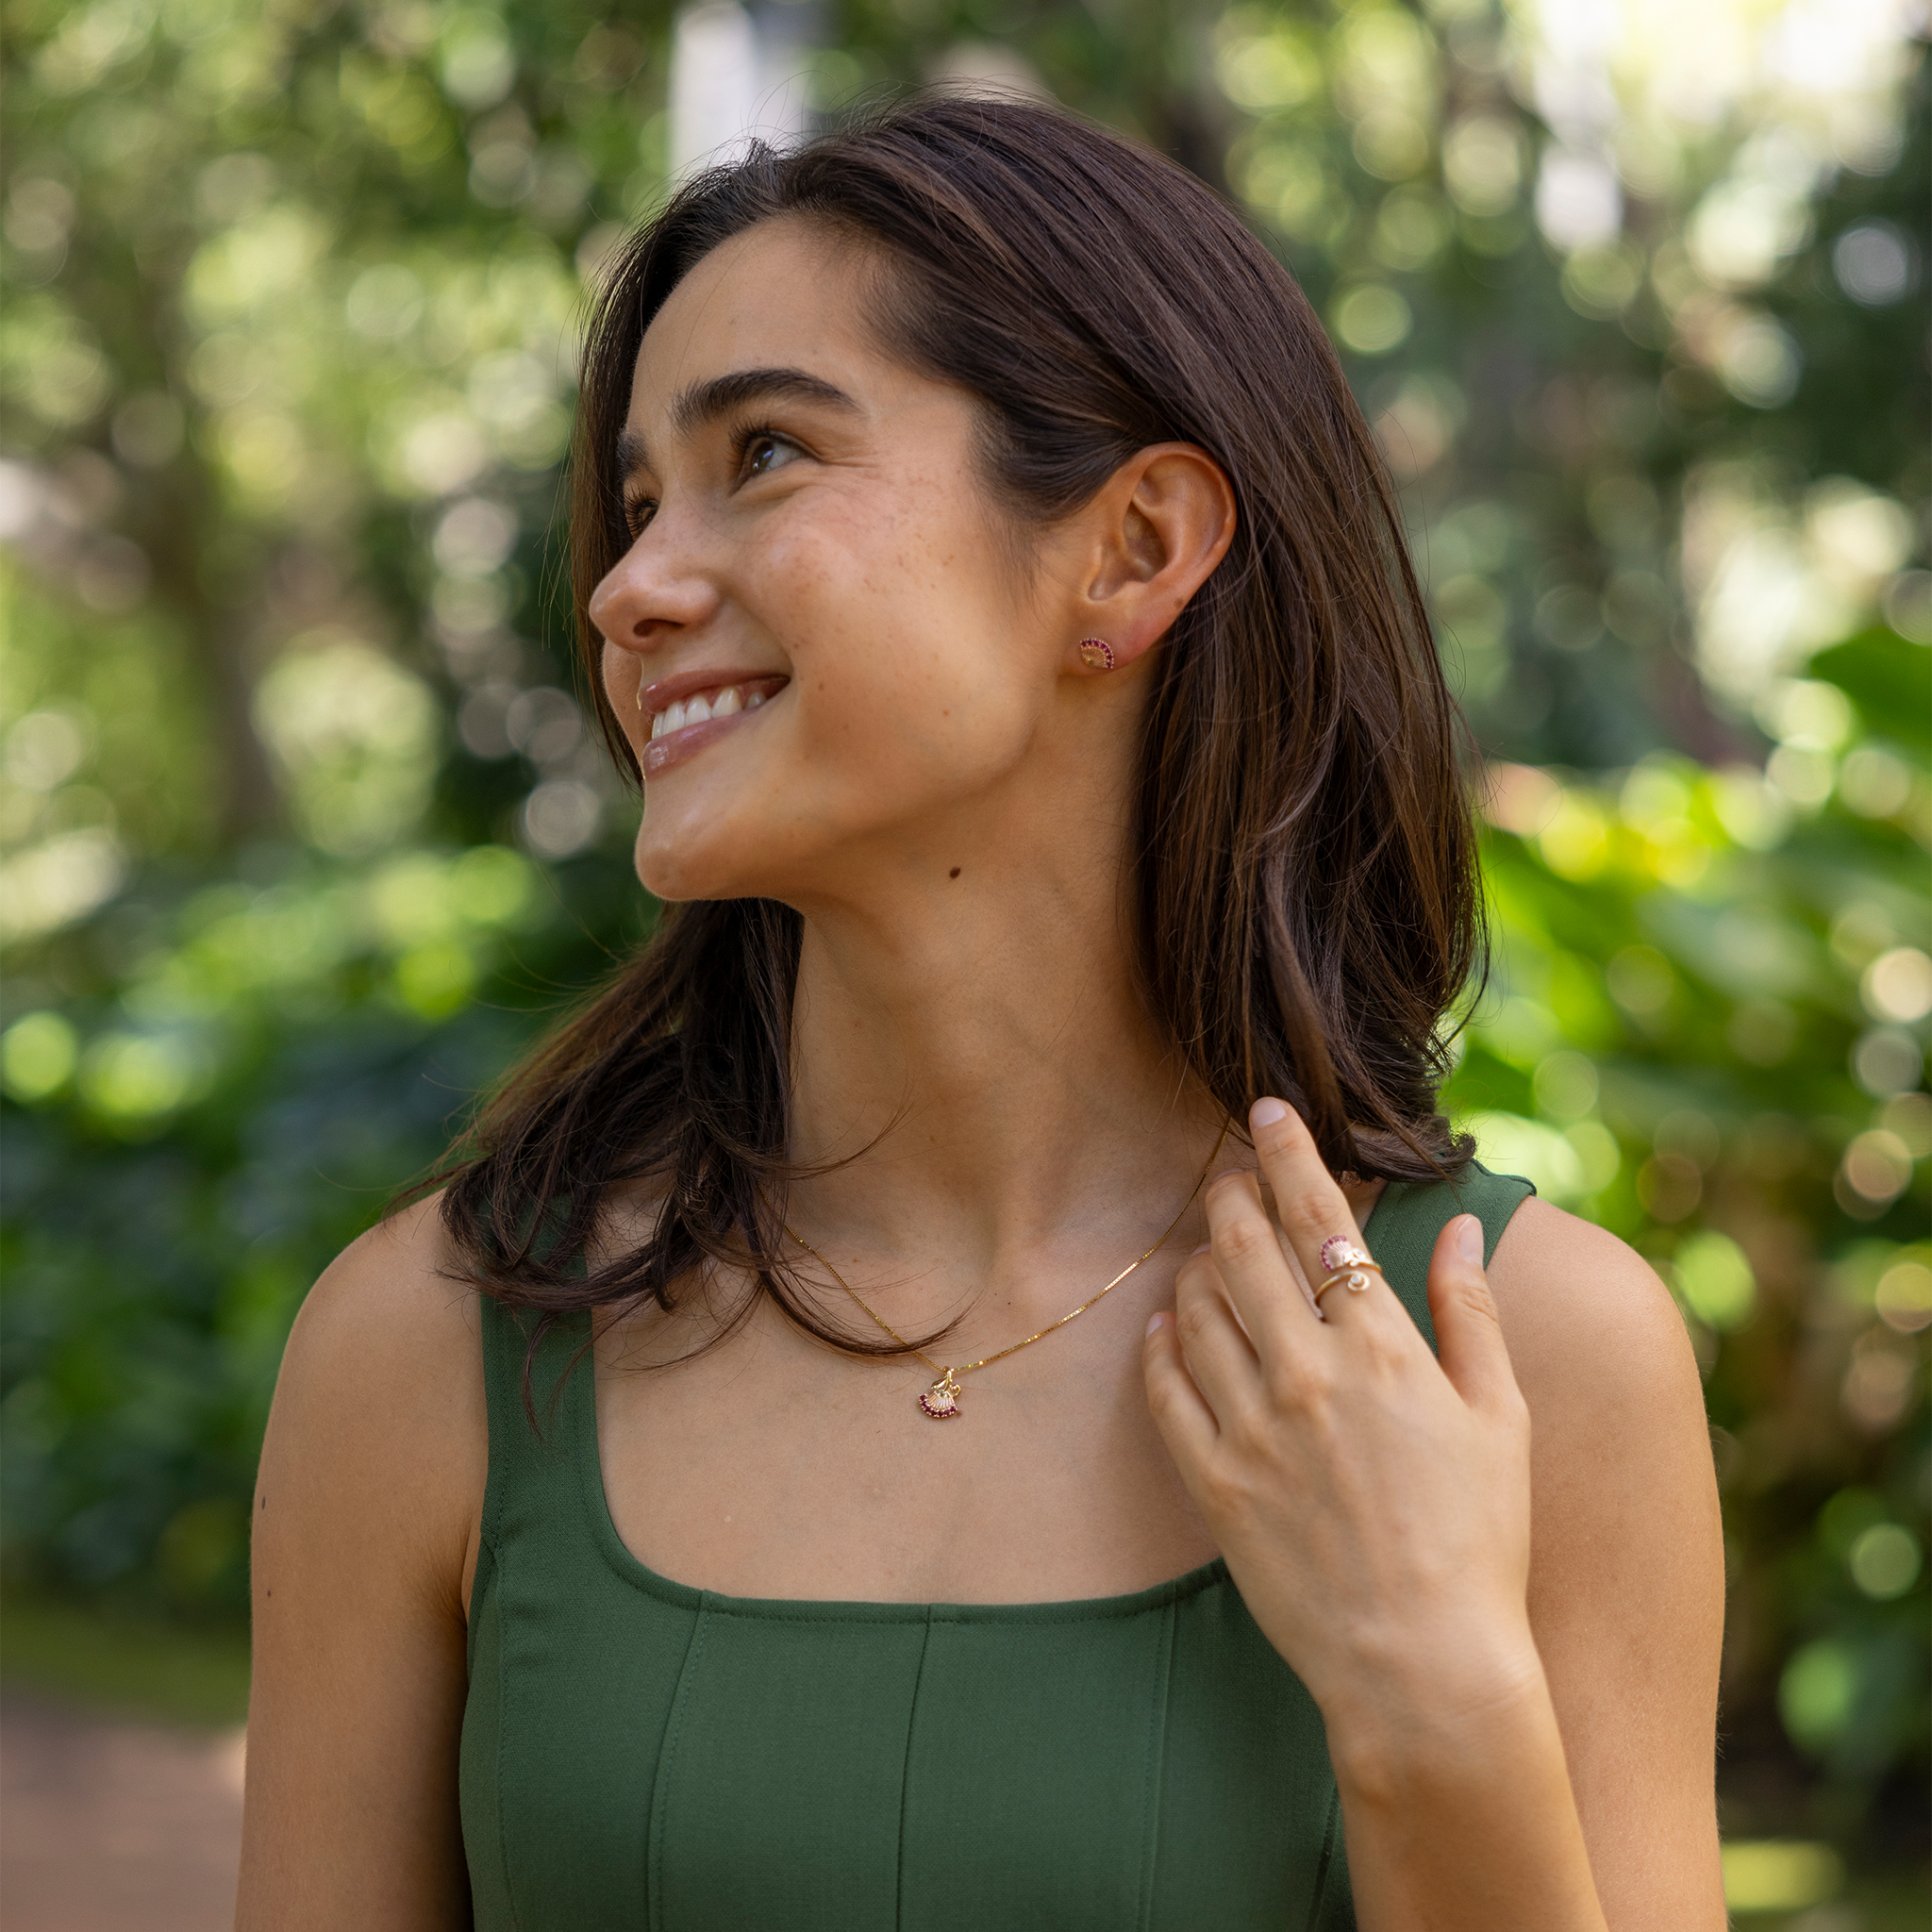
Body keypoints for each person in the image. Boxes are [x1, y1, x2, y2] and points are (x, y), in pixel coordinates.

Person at [237, 94, 1725, 1930]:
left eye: (762, 455)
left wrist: (1433, 1685)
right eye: (632, 506)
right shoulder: (428, 1358)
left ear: (1131, 547)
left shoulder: (1532, 1362)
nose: (628, 589)